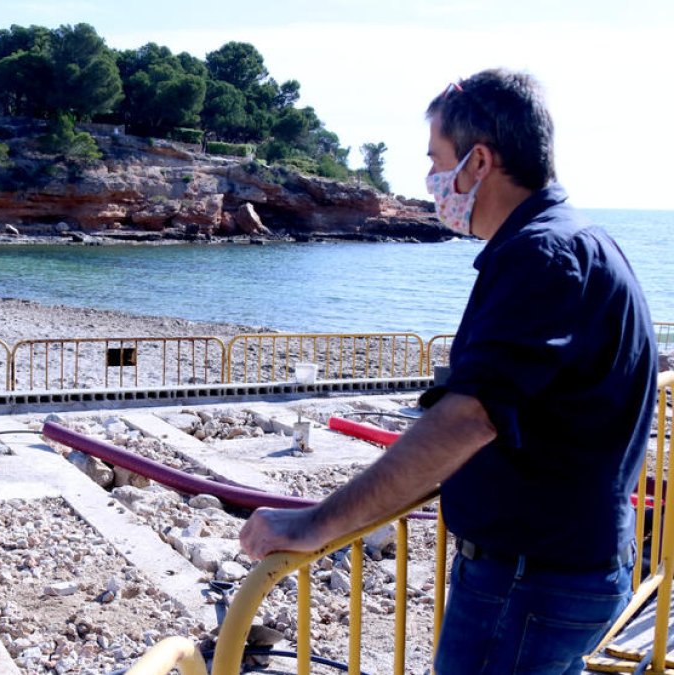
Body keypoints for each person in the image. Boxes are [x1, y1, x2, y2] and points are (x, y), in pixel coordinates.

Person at [239, 69, 657, 674]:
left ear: (479, 162)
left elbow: (469, 419)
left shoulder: (541, 256)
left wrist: (315, 523)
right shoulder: (578, 241)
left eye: (437, 159)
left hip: (528, 581)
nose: (430, 180)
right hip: (563, 568)